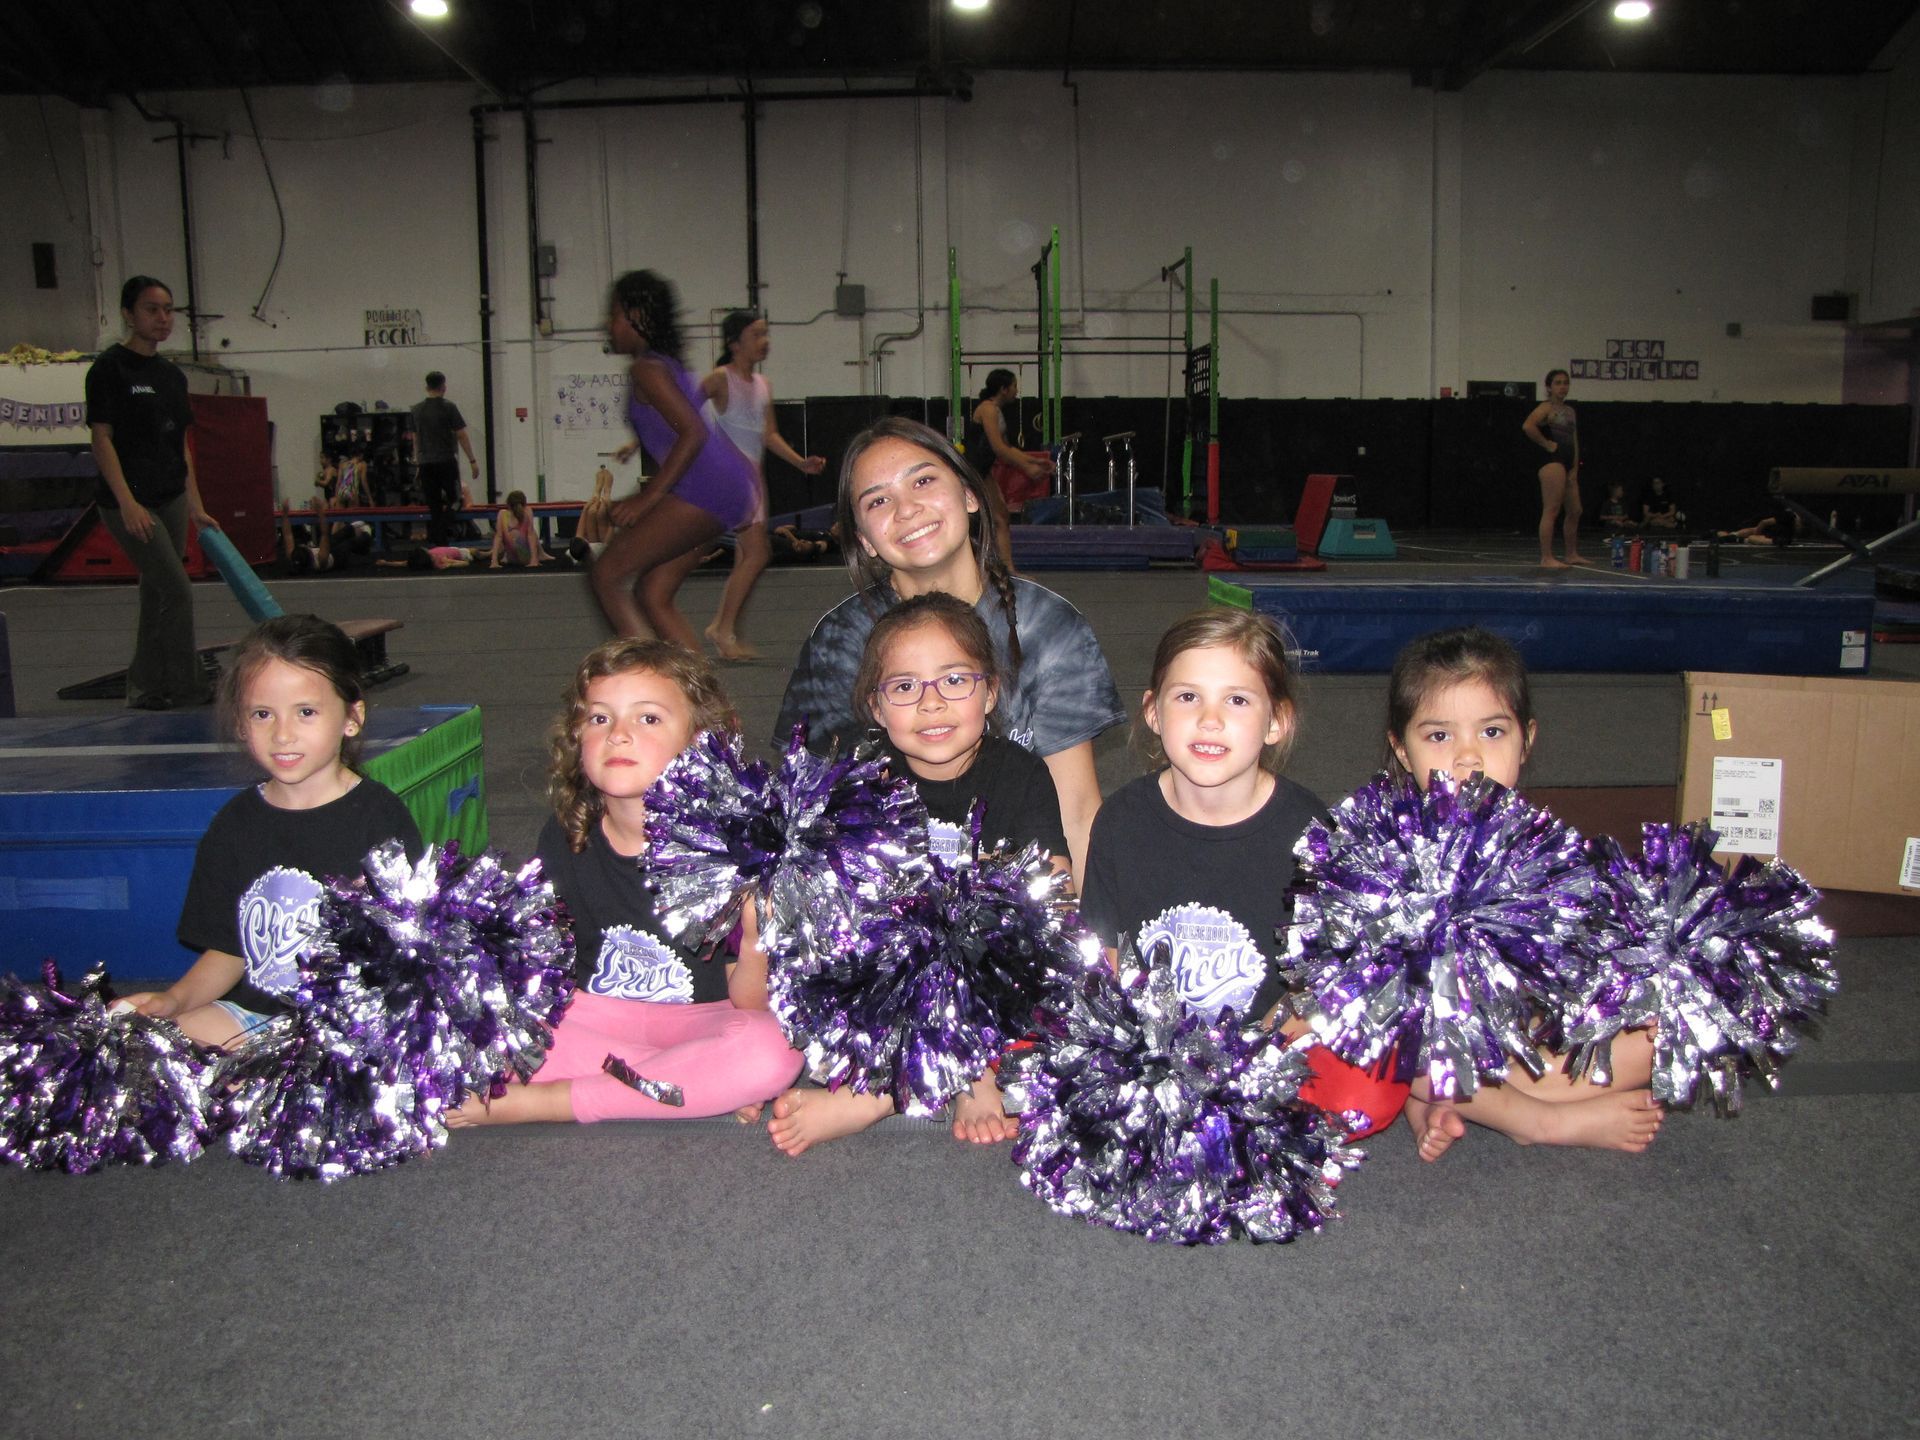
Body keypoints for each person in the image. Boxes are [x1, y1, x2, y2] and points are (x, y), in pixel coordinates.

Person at [1076, 607, 1409, 1141]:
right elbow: (1104, 955)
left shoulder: (1310, 830)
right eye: (1188, 697)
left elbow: (1337, 964)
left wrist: (1300, 1015)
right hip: (1156, 1049)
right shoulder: (1121, 818)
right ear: (1154, 713)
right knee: (1032, 1040)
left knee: (1369, 1085)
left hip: (1267, 1049)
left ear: (1276, 720)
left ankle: (1231, 1122)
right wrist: (1125, 1044)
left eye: (1237, 699)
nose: (1210, 720)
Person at [450, 639, 802, 1126]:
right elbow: (550, 972)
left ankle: (551, 1103)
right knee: (472, 1024)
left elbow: (751, 1002)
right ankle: (681, 1086)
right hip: (597, 1021)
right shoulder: (566, 833)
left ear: (700, 739)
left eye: (648, 718)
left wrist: (757, 940)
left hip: (707, 1022)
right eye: (599, 718)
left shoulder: (737, 845)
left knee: (775, 1052)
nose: (618, 735)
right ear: (577, 738)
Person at [767, 592, 1068, 1157]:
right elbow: (831, 901)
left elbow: (1048, 894)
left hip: (989, 971)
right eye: (905, 687)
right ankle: (926, 1077)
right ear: (877, 709)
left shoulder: (1020, 773)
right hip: (891, 971)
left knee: (1061, 1006)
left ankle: (900, 1088)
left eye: (954, 680)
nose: (931, 703)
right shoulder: (861, 773)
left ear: (990, 692)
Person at [774, 417, 1122, 880]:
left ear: (970, 495)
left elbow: (1076, 812)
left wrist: (1090, 943)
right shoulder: (840, 642)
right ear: (863, 540)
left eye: (923, 480)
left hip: (1018, 903)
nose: (907, 509)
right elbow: (812, 814)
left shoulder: (1048, 628)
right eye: (878, 500)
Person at [1382, 626, 1664, 1160]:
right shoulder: (1386, 849)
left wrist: (1634, 996)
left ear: (1525, 739)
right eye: (1439, 737)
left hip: (1520, 1045)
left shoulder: (1547, 848)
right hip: (1432, 1044)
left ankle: (1474, 1100)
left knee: (1668, 1031)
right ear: (1402, 748)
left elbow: (1581, 961)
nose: (1469, 758)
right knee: (1378, 1042)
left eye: (1492, 732)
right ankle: (1538, 1120)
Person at [116, 616, 423, 1048]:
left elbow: (408, 953)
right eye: (262, 714)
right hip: (255, 1018)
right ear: (241, 724)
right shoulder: (235, 825)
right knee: (154, 1044)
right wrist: (174, 999)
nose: (282, 734)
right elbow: (229, 951)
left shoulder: (380, 820)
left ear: (352, 717)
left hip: (354, 1022)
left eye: (306, 712)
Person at [595, 271, 760, 649]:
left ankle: (648, 684)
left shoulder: (647, 369)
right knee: (652, 594)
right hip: (723, 487)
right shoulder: (664, 364)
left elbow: (693, 432)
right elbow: (677, 431)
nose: (608, 324)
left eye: (615, 314)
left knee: (606, 575)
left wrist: (645, 500)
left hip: (704, 489)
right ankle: (700, 700)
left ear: (638, 316)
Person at [86, 275, 221, 711]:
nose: (163, 318)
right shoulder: (109, 369)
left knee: (157, 590)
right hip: (130, 499)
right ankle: (188, 687)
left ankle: (143, 687)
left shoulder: (170, 376)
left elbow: (179, 445)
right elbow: (102, 439)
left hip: (171, 496)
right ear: (128, 314)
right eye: (152, 309)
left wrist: (196, 506)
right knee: (176, 589)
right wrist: (126, 502)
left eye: (168, 310)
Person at [698, 309, 828, 660]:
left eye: (765, 334)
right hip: (730, 476)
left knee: (747, 554)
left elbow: (768, 434)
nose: (764, 341)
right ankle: (721, 629)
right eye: (757, 335)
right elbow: (681, 408)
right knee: (758, 552)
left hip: (753, 476)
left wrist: (801, 462)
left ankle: (725, 630)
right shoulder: (719, 379)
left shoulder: (762, 386)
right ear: (734, 342)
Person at [964, 369, 1054, 569]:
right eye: (1013, 386)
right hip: (972, 472)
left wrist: (1035, 462)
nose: (1016, 390)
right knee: (992, 519)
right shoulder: (987, 409)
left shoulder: (996, 410)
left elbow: (1008, 448)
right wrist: (1026, 468)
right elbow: (998, 448)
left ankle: (1008, 570)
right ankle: (998, 569)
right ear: (1003, 389)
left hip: (982, 471)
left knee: (1001, 517)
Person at [1521, 368, 1587, 568]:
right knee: (1552, 509)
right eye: (1558, 383)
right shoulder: (1545, 408)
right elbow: (1528, 426)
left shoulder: (1570, 411)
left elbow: (1574, 440)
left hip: (1567, 463)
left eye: (1565, 382)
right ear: (1549, 387)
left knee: (1575, 510)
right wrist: (1546, 443)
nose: (1562, 386)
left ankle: (1571, 553)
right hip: (1552, 462)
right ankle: (1546, 557)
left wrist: (1574, 467)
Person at [410, 371, 479, 546]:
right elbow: (461, 435)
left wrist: (417, 461)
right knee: (456, 500)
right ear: (444, 387)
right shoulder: (449, 407)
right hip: (445, 461)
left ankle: (438, 542)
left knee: (434, 505)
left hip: (426, 462)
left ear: (426, 387)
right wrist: (472, 460)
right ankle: (440, 532)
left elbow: (416, 438)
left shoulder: (416, 410)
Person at [489, 489, 543, 568]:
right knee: (532, 532)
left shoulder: (502, 514)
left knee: (500, 535)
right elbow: (531, 536)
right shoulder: (528, 511)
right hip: (526, 559)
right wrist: (534, 560)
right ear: (524, 503)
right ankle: (541, 554)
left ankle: (495, 555)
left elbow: (498, 537)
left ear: (508, 504)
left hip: (511, 559)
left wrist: (494, 561)